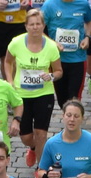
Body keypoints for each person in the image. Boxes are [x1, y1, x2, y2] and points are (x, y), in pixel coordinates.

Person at [6, 10, 63, 168]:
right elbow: (7, 61)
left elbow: (59, 71)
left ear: (43, 26)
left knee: (41, 134)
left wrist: (51, 76)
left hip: (44, 94)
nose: (35, 27)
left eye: (38, 24)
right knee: (26, 137)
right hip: (21, 95)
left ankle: (41, 168)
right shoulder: (16, 43)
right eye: (31, 24)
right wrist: (9, 80)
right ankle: (33, 147)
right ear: (26, 26)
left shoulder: (51, 47)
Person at [42, 0, 91, 104]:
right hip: (56, 60)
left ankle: (72, 113)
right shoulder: (49, 5)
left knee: (74, 99)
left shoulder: (83, 3)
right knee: (62, 100)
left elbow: (89, 21)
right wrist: (53, 43)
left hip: (78, 59)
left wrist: (87, 37)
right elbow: (40, 31)